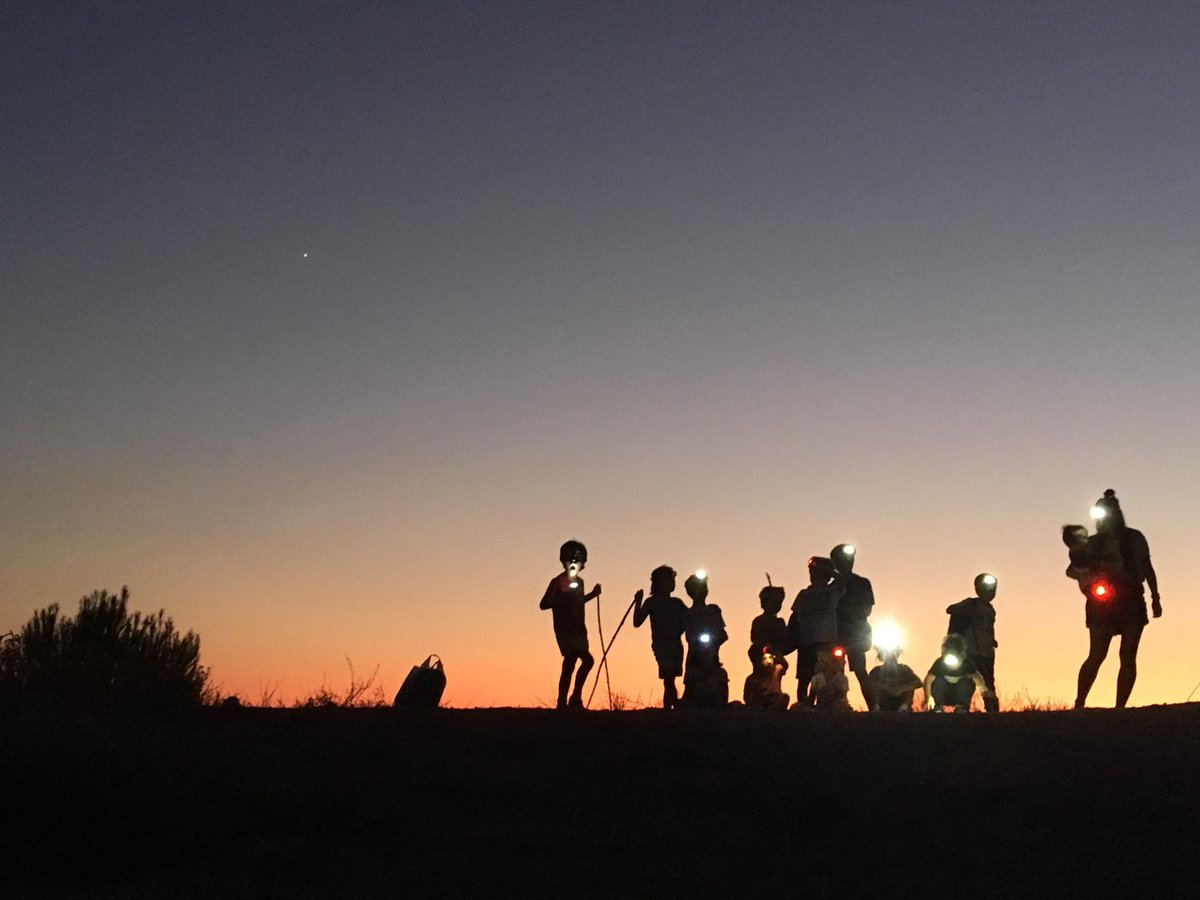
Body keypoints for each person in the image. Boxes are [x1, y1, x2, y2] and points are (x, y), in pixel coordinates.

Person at [1074, 489, 1162, 709]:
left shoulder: (1134, 538)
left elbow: (1146, 567)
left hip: (1131, 596)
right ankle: (1080, 702)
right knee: (1097, 655)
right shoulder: (1092, 543)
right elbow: (1075, 568)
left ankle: (1120, 707)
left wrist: (1155, 596)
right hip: (1102, 601)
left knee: (1128, 654)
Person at [539, 539, 601, 709]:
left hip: (579, 629)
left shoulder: (580, 583)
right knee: (573, 662)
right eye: (570, 559)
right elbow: (544, 603)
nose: (574, 562)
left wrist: (593, 595)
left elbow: (578, 602)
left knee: (581, 662)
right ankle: (564, 701)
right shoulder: (557, 582)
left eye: (578, 560)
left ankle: (574, 698)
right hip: (565, 629)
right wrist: (561, 600)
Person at [789, 556, 843, 706]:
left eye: (816, 573)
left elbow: (842, 580)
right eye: (812, 572)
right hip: (806, 641)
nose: (813, 575)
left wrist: (824, 568)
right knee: (803, 677)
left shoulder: (832, 591)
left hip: (826, 641)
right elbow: (794, 616)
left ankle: (814, 704)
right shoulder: (803, 594)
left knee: (820, 676)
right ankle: (803, 705)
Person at [632, 565, 688, 709]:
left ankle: (669, 708)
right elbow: (637, 622)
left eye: (672, 580)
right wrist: (638, 601)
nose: (671, 583)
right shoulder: (652, 602)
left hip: (675, 644)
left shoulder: (677, 603)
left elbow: (688, 621)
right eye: (668, 580)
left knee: (670, 679)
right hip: (662, 646)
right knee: (669, 678)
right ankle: (674, 706)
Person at [946, 573, 1000, 712]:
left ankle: (992, 710)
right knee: (968, 682)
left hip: (987, 653)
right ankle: (963, 708)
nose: (990, 593)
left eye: (993, 590)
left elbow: (987, 629)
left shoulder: (991, 610)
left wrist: (992, 640)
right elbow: (951, 609)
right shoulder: (971, 603)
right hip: (972, 652)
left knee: (988, 683)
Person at [831, 543, 875, 710]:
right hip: (837, 634)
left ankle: (874, 707)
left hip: (856, 634)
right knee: (834, 672)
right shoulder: (832, 587)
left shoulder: (862, 583)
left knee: (860, 672)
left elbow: (867, 609)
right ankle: (837, 705)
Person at [682, 572, 729, 708]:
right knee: (691, 683)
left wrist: (715, 639)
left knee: (719, 677)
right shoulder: (687, 614)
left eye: (703, 587)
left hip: (712, 657)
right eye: (697, 588)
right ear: (690, 592)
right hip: (694, 657)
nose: (702, 590)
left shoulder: (713, 611)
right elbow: (687, 635)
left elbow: (723, 634)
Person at [923, 633, 994, 712]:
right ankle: (938, 706)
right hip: (944, 692)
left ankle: (962, 707)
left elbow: (977, 678)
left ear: (962, 654)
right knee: (939, 681)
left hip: (961, 693)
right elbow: (928, 680)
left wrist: (984, 691)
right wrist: (928, 697)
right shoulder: (940, 663)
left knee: (965, 683)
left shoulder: (967, 663)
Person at [868, 644, 922, 712]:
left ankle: (903, 708)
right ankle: (877, 708)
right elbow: (868, 684)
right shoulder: (876, 670)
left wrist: (901, 689)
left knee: (910, 688)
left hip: (901, 698)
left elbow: (918, 682)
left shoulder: (904, 669)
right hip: (883, 700)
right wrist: (886, 688)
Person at [750, 581, 793, 660]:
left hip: (775, 659)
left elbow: (785, 643)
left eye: (779, 602)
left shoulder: (779, 622)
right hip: (762, 659)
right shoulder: (759, 621)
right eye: (774, 602)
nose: (777, 605)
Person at [743, 644, 790, 710]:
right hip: (760, 703)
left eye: (770, 657)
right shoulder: (751, 679)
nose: (768, 661)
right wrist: (752, 704)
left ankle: (771, 709)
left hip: (775, 701)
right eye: (764, 658)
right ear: (757, 662)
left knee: (785, 697)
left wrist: (774, 652)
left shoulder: (776, 670)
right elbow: (746, 697)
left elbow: (785, 664)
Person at [809, 645, 851, 711]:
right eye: (834, 663)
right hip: (821, 705)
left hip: (838, 706)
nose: (837, 665)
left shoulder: (842, 678)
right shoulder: (816, 678)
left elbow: (841, 695)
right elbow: (812, 695)